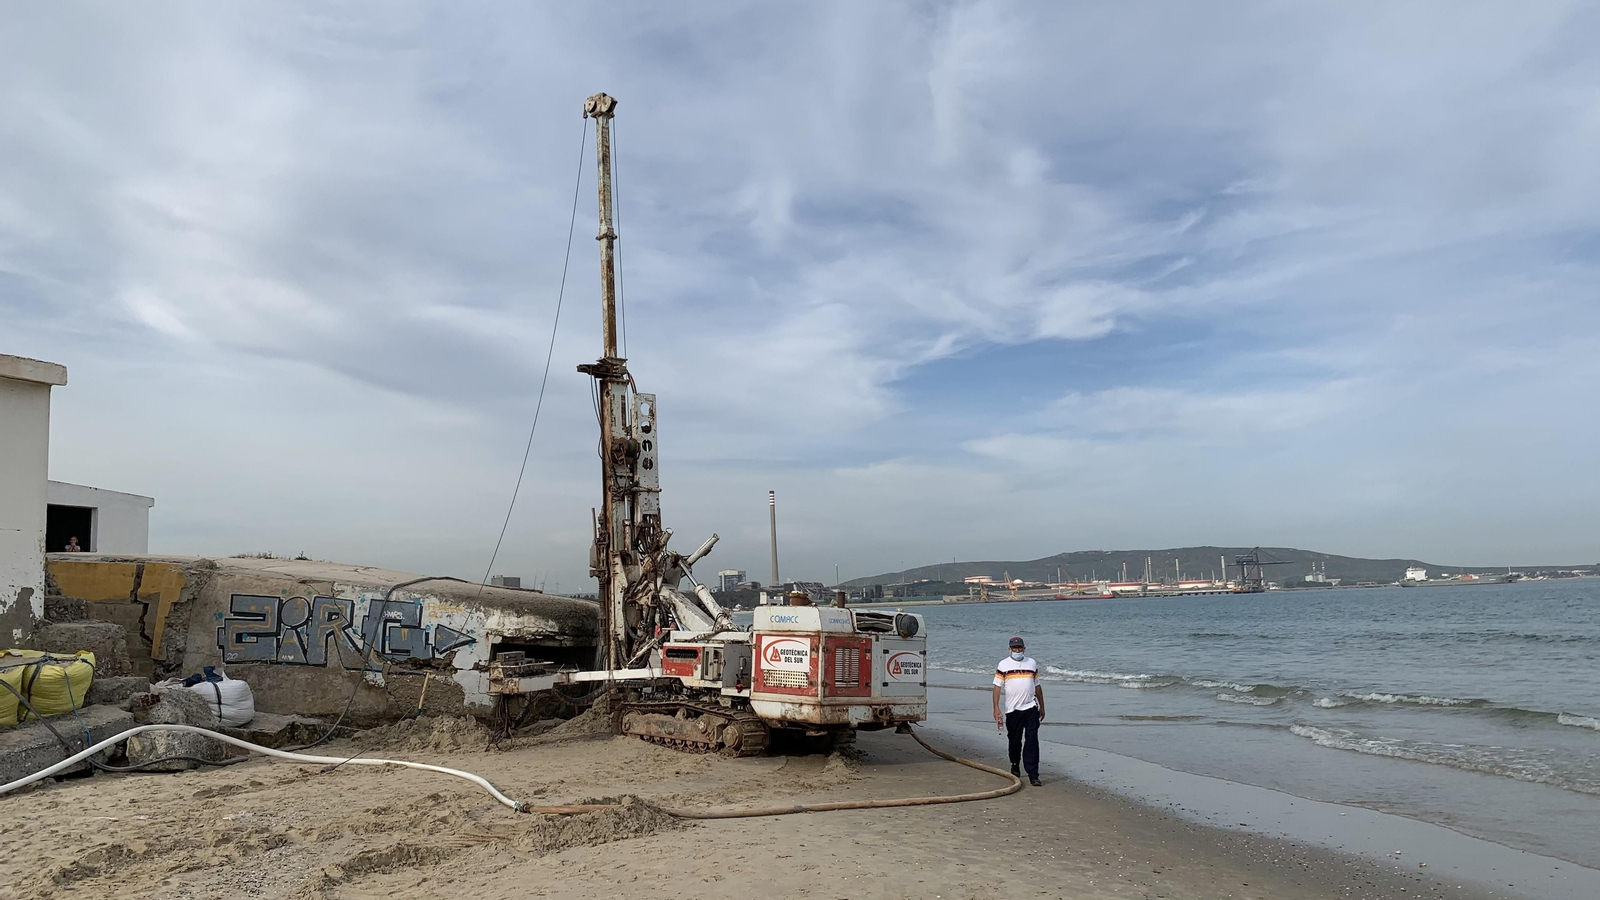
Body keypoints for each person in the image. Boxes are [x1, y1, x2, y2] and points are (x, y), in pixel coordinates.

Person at [992, 635, 1045, 786]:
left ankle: (1033, 774)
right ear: (1010, 649)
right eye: (1014, 648)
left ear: (1024, 649)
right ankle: (1015, 763)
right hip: (1013, 710)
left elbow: (1037, 686)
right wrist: (996, 708)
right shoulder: (1003, 665)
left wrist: (1042, 706)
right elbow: (996, 688)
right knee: (1015, 740)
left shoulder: (1032, 663)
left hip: (1031, 708)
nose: (1017, 650)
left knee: (1032, 740)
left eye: (1019, 647)